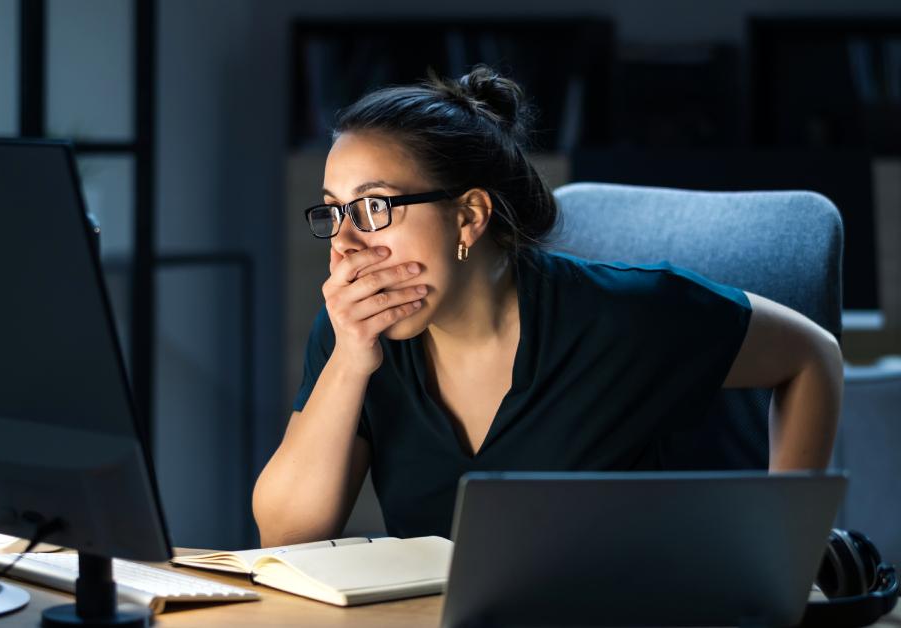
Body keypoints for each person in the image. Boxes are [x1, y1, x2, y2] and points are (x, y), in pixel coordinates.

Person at [252, 65, 844, 548]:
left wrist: (788, 551)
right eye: (333, 212)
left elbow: (811, 355)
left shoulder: (626, 315)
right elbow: (286, 534)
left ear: (470, 216)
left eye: (375, 207)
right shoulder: (354, 334)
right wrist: (350, 363)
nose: (346, 244)